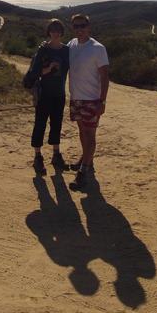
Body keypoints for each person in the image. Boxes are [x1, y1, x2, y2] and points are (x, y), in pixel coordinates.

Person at [67, 13, 109, 191]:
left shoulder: (98, 48)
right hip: (76, 98)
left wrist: (102, 100)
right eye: (76, 26)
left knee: (90, 135)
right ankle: (86, 160)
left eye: (82, 25)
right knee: (82, 132)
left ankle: (83, 172)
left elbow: (105, 76)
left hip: (92, 99)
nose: (79, 29)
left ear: (89, 27)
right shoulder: (71, 45)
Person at [24, 19, 70, 174]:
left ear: (62, 32)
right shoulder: (43, 50)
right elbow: (35, 73)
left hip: (59, 94)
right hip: (44, 94)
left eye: (58, 30)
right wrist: (49, 68)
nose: (55, 32)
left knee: (56, 124)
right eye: (53, 29)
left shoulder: (66, 50)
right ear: (49, 32)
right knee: (40, 125)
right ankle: (38, 157)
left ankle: (56, 155)